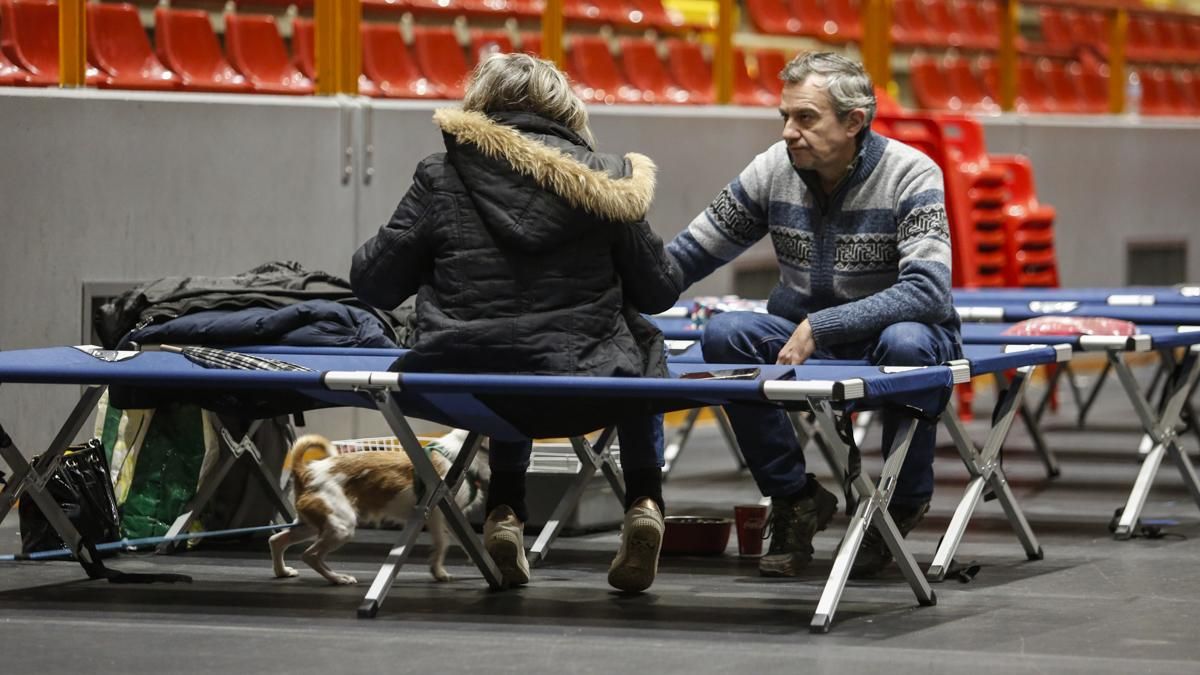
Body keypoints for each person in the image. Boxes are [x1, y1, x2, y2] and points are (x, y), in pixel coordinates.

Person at [350, 53, 683, 593]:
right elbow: (659, 291)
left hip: (460, 389)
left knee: (499, 339)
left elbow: (373, 284)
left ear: (481, 103)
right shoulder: (608, 179)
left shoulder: (441, 175)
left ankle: (505, 510)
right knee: (643, 340)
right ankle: (645, 501)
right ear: (564, 108)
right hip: (585, 391)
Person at [666, 52, 961, 578]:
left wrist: (821, 326)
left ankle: (900, 500)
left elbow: (929, 291)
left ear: (854, 122)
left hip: (891, 338)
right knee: (725, 334)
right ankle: (794, 497)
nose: (788, 132)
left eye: (805, 118)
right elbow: (689, 255)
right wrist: (609, 294)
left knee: (909, 344)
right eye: (784, 117)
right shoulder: (771, 170)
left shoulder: (912, 174)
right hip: (800, 335)